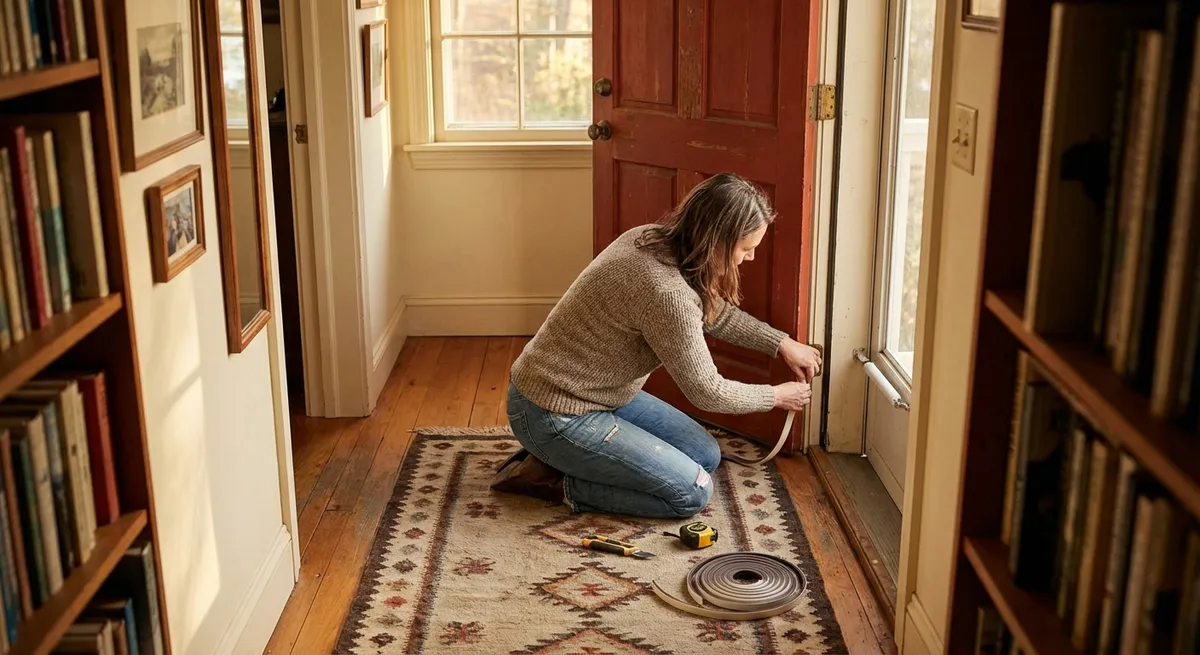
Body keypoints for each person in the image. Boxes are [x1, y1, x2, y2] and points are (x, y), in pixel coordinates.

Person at [492, 173, 821, 519]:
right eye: (746, 248)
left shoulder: (652, 239)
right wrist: (777, 397)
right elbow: (708, 392)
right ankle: (553, 480)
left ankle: (573, 460)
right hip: (552, 412)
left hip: (601, 393)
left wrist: (781, 343)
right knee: (691, 493)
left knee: (705, 454)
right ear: (716, 241)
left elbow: (712, 312)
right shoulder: (666, 293)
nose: (750, 258)